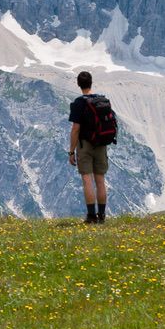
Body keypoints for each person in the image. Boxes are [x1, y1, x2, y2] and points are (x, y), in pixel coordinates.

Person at [69, 70, 109, 223]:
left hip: (85, 145)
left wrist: (71, 151)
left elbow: (75, 129)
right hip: (101, 144)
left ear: (79, 84)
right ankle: (102, 216)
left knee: (87, 179)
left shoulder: (79, 103)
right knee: (100, 180)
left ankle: (91, 216)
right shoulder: (102, 100)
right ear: (91, 83)